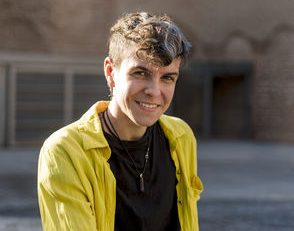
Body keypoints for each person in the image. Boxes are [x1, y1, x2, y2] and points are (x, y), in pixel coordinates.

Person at [37, 12, 203, 231]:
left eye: (167, 78)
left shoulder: (181, 136)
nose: (154, 91)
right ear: (110, 73)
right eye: (140, 73)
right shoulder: (65, 151)